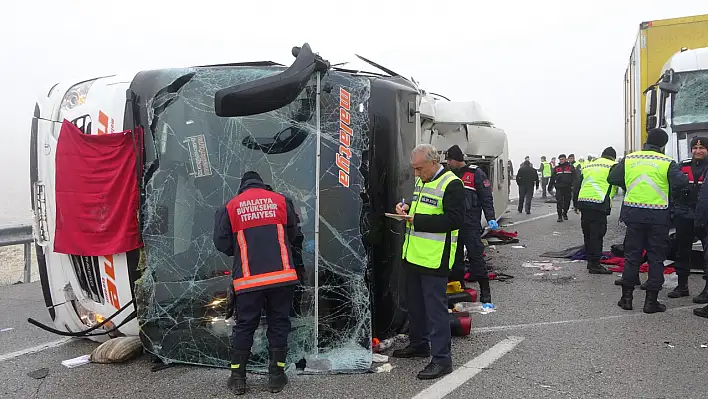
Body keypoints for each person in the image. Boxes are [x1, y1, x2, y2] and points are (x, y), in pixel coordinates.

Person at [213, 171, 303, 395]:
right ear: (263, 185)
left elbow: (221, 243)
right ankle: (276, 377)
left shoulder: (230, 206)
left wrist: (243, 251)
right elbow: (294, 234)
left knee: (245, 325)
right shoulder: (282, 201)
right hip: (282, 276)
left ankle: (238, 378)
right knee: (279, 322)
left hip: (248, 278)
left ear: (242, 187)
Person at [392, 143, 464, 380]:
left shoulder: (452, 184)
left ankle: (442, 360)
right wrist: (406, 209)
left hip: (434, 258)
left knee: (436, 311)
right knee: (415, 306)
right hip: (413, 255)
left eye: (419, 168)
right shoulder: (422, 181)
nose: (416, 173)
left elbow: (453, 220)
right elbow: (421, 207)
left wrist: (416, 219)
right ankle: (419, 343)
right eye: (414, 168)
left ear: (434, 163)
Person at [608, 128, 689, 313]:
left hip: (633, 215)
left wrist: (629, 184)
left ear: (647, 141)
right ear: (663, 145)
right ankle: (650, 302)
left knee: (632, 256)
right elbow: (682, 183)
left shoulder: (630, 159)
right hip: (658, 216)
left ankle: (626, 299)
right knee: (656, 258)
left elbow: (612, 177)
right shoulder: (666, 162)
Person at [445, 145, 498, 303]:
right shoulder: (448, 175)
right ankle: (459, 288)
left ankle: (485, 293)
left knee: (476, 258)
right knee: (455, 259)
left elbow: (486, 197)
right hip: (454, 225)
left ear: (456, 159)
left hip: (470, 225)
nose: (448, 163)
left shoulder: (475, 174)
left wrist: (490, 218)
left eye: (449, 159)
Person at [667, 137, 708, 303]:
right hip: (684, 214)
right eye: (695, 148)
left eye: (702, 148)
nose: (698, 151)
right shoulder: (682, 165)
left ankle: (706, 290)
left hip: (705, 215)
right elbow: (671, 186)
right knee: (682, 250)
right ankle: (682, 285)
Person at [575, 147, 618, 274]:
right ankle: (595, 264)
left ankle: (590, 261)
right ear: (613, 157)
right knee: (597, 235)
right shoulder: (613, 166)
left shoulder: (589, 165)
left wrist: (575, 203)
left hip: (583, 201)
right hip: (599, 202)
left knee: (587, 234)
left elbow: (578, 184)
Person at [548, 154, 577, 222]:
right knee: (559, 202)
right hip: (559, 188)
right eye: (560, 159)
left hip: (568, 187)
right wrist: (550, 187)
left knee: (567, 202)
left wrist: (574, 186)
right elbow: (552, 178)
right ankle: (559, 216)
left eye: (562, 159)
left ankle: (565, 213)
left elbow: (575, 177)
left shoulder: (570, 167)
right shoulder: (557, 168)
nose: (561, 161)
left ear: (565, 159)